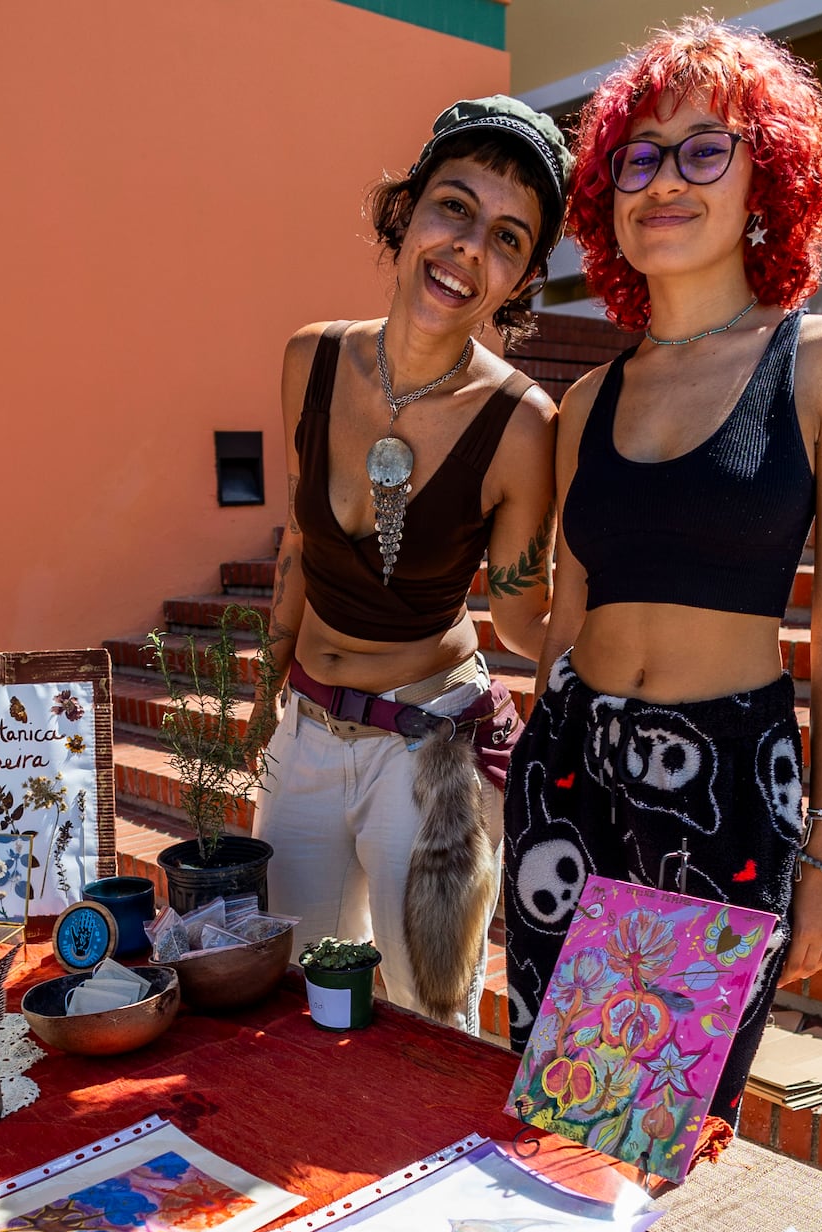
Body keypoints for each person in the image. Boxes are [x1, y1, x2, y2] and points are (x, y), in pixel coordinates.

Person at [503, 20, 822, 1117]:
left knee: (651, 1115)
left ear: (768, 178)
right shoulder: (587, 402)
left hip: (723, 783)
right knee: (551, 1101)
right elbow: (566, 616)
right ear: (606, 196)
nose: (665, 180)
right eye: (639, 157)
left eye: (705, 149)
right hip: (568, 770)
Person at [249, 96, 570, 1033]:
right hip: (307, 732)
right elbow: (300, 538)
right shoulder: (310, 359)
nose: (468, 247)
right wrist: (265, 692)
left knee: (431, 1023)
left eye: (507, 238)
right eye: (453, 207)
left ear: (521, 280)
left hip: (430, 756)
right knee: (291, 1003)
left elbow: (525, 617)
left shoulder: (521, 426)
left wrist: (631, 642)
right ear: (406, 210)